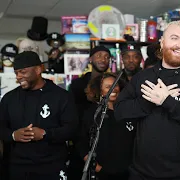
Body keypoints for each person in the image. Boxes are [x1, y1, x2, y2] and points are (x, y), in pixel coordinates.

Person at [114, 20, 180, 180]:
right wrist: (148, 101)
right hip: (142, 173)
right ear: (162, 43)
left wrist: (167, 101)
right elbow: (119, 111)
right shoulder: (143, 77)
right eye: (174, 38)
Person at [0, 51, 78, 180]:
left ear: (38, 70)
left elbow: (72, 129)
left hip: (52, 165)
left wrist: (45, 134)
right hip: (18, 167)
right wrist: (13, 135)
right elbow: (1, 128)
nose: (19, 76)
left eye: (23, 72)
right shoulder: (9, 99)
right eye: (16, 72)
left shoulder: (62, 96)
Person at [77, 73, 135, 180]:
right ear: (99, 90)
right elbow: (82, 144)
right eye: (107, 86)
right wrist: (98, 169)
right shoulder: (93, 114)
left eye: (115, 85)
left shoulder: (128, 111)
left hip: (128, 173)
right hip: (102, 173)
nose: (113, 89)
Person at [67, 45, 111, 180]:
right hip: (82, 140)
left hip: (107, 141)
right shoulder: (77, 85)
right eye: (99, 55)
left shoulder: (115, 84)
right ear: (91, 59)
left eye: (106, 57)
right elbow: (71, 114)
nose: (103, 59)